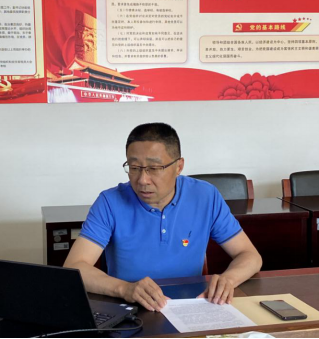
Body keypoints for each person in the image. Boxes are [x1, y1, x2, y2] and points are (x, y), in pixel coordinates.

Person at [65, 123, 262, 312]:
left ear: (179, 166)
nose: (143, 180)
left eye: (154, 168)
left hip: (190, 306)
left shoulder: (205, 196)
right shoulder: (109, 202)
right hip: (130, 310)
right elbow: (75, 267)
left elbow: (250, 255)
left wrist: (229, 279)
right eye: (134, 167)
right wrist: (125, 289)